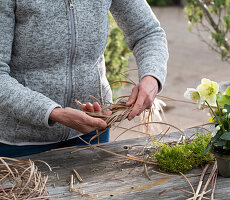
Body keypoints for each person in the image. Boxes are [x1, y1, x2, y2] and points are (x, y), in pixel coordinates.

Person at [0, 0, 168, 157]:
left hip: (93, 132)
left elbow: (147, 33)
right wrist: (52, 112)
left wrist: (152, 76)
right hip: (19, 143)